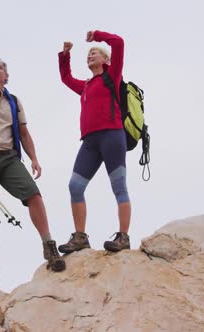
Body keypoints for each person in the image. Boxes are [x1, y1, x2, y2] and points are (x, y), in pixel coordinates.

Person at [0, 57, 66, 289]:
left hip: (8, 158)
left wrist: (34, 158)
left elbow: (24, 133)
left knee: (33, 195)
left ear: (7, 77)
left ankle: (49, 246)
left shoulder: (14, 101)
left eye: (0, 68)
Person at [57, 30, 131, 254]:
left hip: (112, 137)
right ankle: (80, 237)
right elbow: (66, 79)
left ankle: (123, 237)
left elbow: (118, 42)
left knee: (118, 187)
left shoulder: (112, 76)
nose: (90, 55)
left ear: (106, 60)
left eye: (95, 53)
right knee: (75, 186)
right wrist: (65, 55)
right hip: (90, 142)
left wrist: (97, 36)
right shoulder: (87, 85)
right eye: (88, 53)